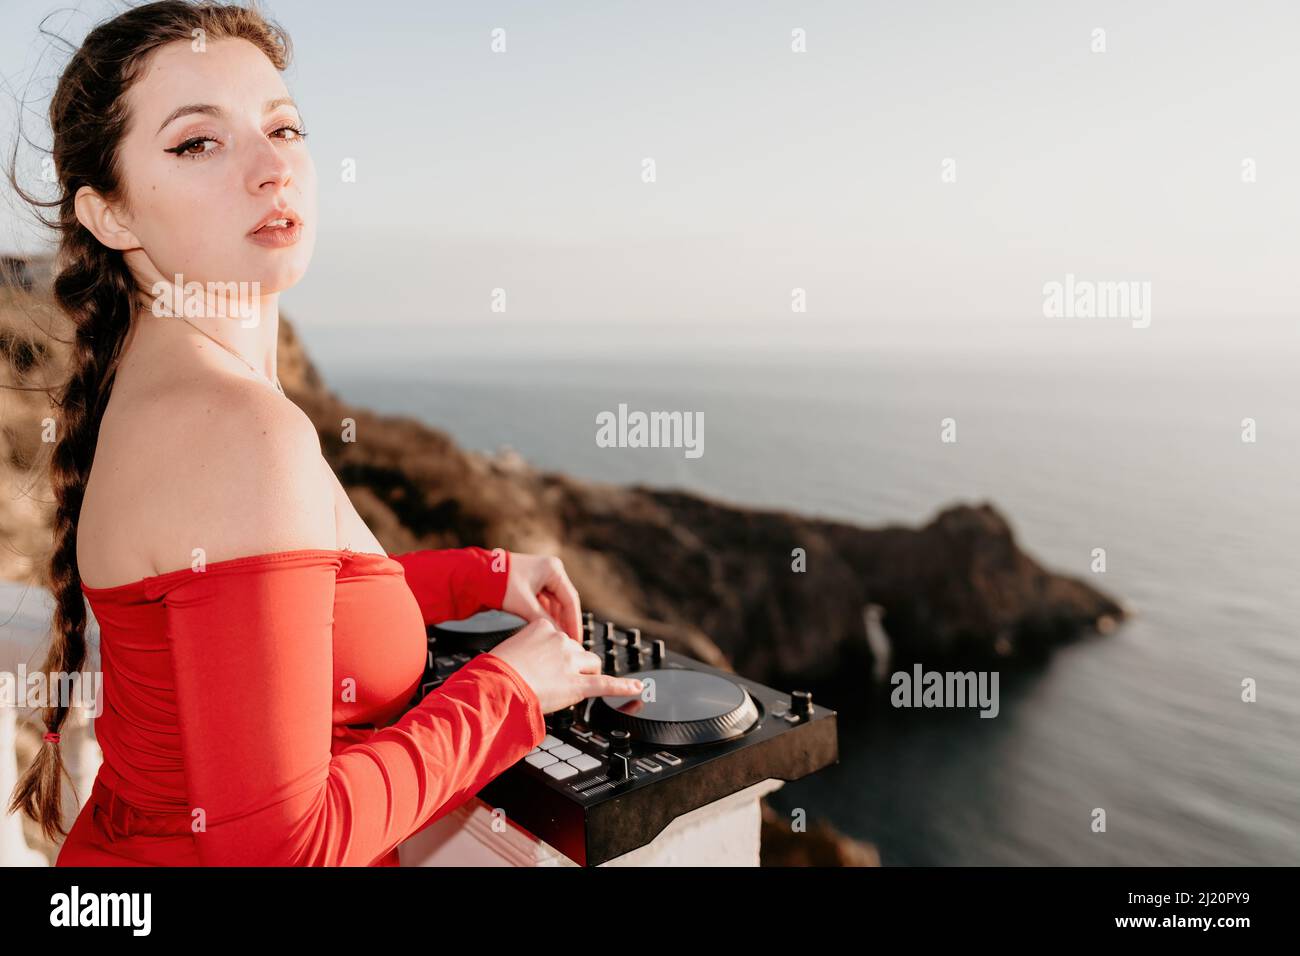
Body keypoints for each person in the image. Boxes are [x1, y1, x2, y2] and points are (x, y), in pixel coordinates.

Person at [4, 0, 643, 866]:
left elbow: (273, 614)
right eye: (199, 142)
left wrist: (480, 577)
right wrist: (511, 688)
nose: (273, 168)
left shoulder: (168, 389)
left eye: (285, 128)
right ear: (110, 216)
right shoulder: (233, 427)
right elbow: (282, 848)